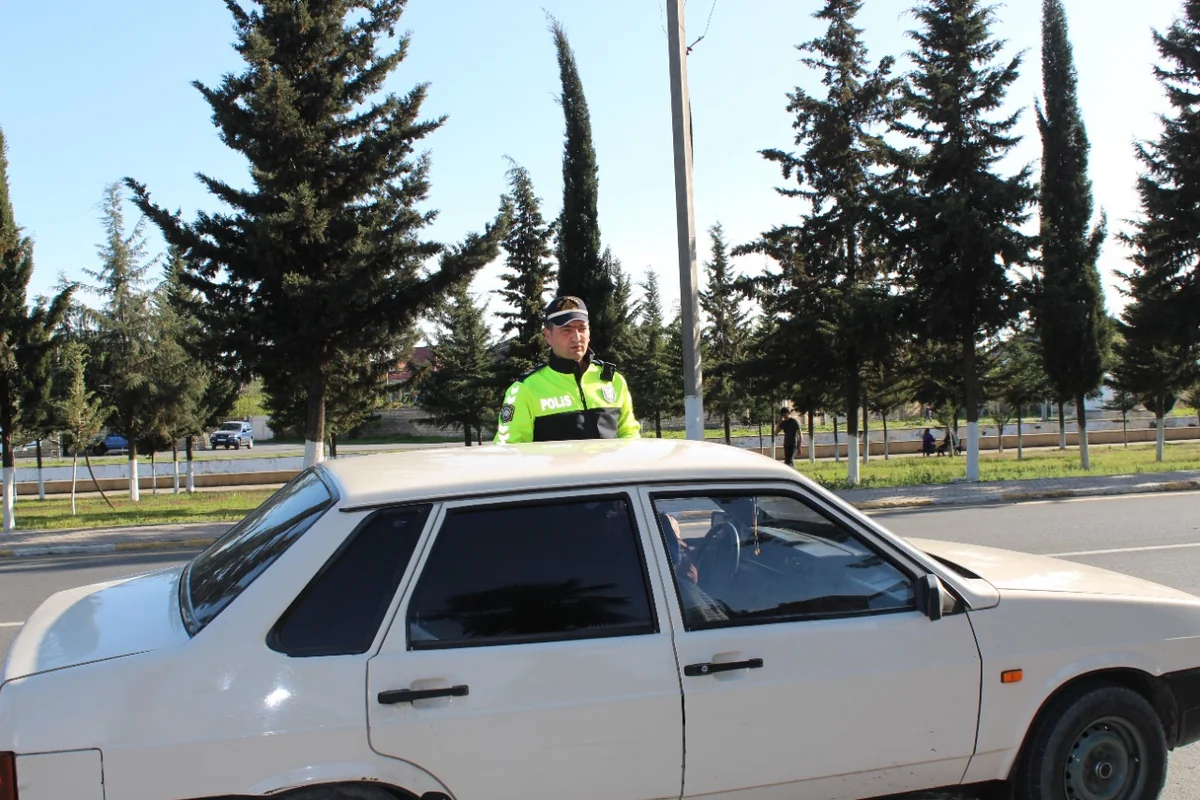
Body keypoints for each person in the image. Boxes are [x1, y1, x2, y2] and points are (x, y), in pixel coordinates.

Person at [493, 296, 640, 444]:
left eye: (581, 328)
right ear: (548, 336)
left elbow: (629, 434)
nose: (576, 337)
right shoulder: (525, 389)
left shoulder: (613, 380)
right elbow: (508, 449)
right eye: (566, 330)